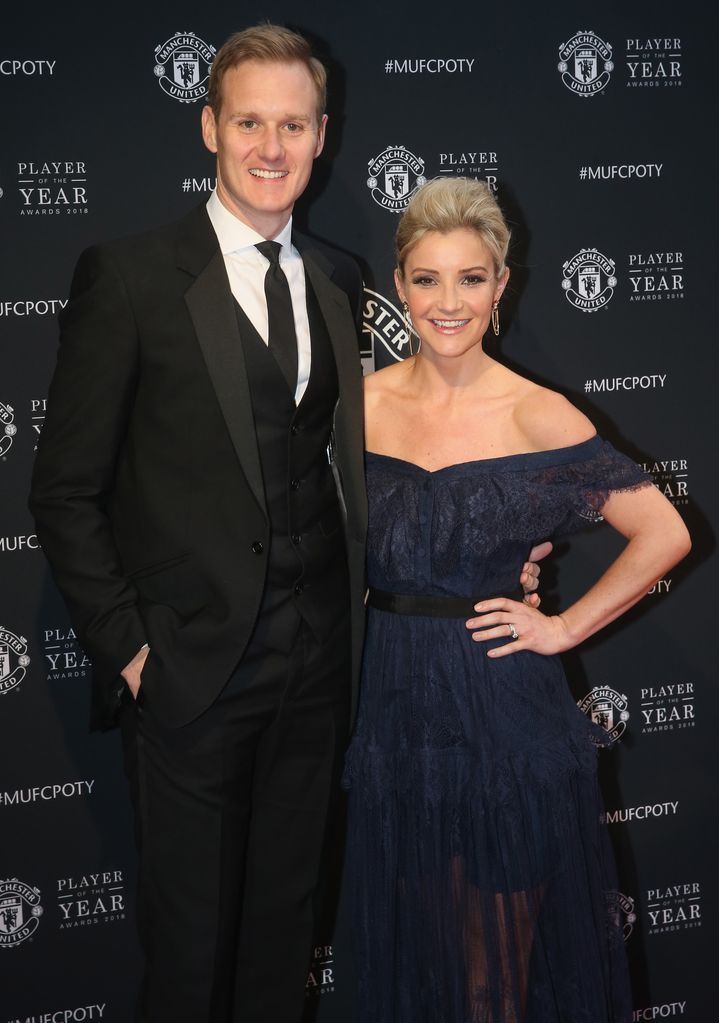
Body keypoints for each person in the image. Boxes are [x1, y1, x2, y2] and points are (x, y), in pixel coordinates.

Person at [28, 24, 368, 1023]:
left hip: (314, 679)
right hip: (189, 682)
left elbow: (350, 468)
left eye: (294, 124)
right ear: (210, 129)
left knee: (279, 948)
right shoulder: (131, 278)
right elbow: (63, 490)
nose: (273, 147)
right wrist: (133, 650)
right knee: (186, 966)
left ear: (321, 136)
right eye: (251, 121)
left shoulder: (340, 281)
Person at [343, 176, 691, 1023]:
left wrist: (561, 624)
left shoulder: (538, 415)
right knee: (415, 965)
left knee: (489, 981)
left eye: (470, 278)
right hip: (392, 715)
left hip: (501, 711)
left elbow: (664, 533)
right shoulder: (359, 407)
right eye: (426, 278)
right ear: (399, 286)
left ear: (502, 286)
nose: (447, 301)